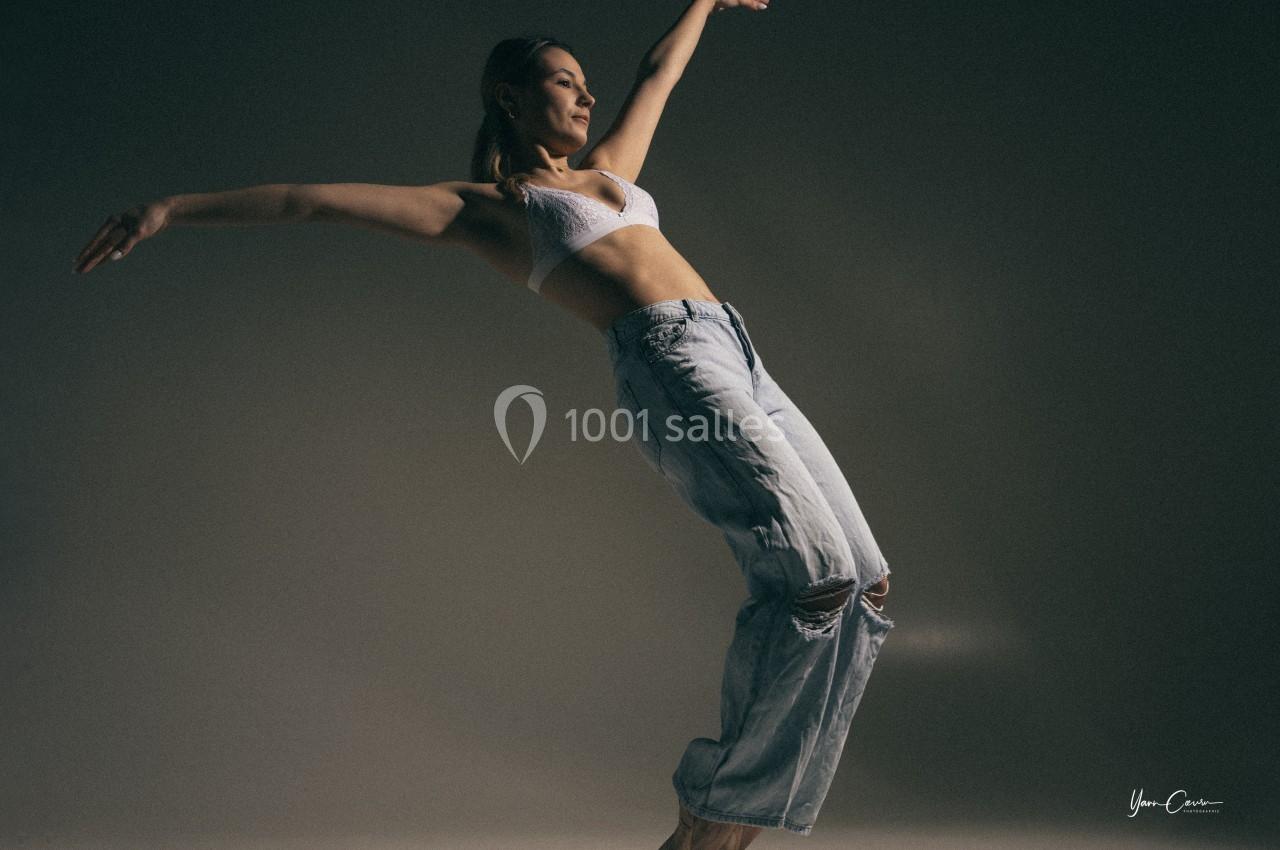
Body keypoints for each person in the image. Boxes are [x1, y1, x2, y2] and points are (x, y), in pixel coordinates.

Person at [73, 1, 894, 846]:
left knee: (864, 582)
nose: (585, 98)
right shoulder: (488, 209)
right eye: (564, 83)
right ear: (509, 97)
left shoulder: (613, 170)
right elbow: (310, 201)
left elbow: (660, 75)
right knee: (813, 579)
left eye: (585, 85)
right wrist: (172, 207)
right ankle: (712, 823)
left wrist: (705, 0)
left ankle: (726, 819)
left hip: (738, 350)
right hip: (668, 361)